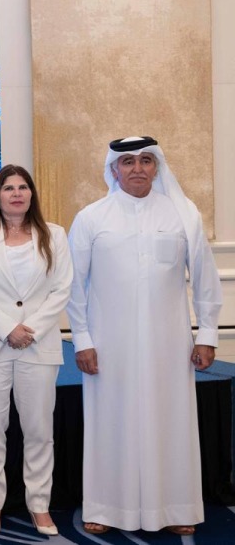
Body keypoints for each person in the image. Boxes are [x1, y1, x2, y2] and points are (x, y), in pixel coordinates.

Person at [68, 137, 222, 536]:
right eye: (128, 162)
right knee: (108, 422)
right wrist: (81, 340)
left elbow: (205, 279)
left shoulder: (182, 214)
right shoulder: (91, 217)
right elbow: (74, 286)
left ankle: (176, 507)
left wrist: (206, 335)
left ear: (157, 167)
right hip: (107, 344)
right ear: (114, 169)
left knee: (171, 421)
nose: (137, 168)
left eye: (146, 161)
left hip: (169, 344)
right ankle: (104, 507)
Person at [0, 165, 69, 536]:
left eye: (23, 187)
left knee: (39, 430)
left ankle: (39, 504)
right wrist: (9, 329)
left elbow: (61, 289)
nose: (17, 193)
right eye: (9, 188)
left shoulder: (54, 235)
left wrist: (30, 330)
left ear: (31, 194)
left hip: (39, 347)